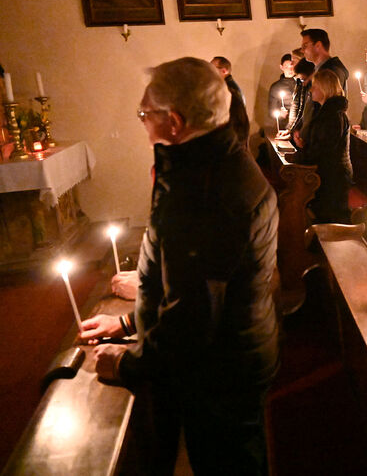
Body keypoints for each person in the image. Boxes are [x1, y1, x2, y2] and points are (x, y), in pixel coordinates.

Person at [88, 57, 278, 474]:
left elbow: (193, 314)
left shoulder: (207, 194)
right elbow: (189, 278)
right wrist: (129, 323)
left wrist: (127, 363)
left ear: (174, 121)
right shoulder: (206, 164)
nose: (142, 122)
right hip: (229, 354)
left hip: (221, 371)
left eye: (144, 114)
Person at [285, 69, 352, 223]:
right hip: (328, 172)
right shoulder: (327, 111)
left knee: (331, 219)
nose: (311, 90)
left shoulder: (333, 115)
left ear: (324, 88)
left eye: (315, 86)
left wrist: (299, 156)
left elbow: (324, 149)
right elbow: (321, 142)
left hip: (333, 176)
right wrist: (305, 144)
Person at [211, 55, 250, 147]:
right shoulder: (225, 87)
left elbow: (235, 120)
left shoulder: (229, 90)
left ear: (224, 71)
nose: (209, 71)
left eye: (212, 68)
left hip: (232, 141)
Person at [267, 53, 297, 129]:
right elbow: (271, 111)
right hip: (284, 125)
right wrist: (280, 114)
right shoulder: (276, 87)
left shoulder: (302, 83)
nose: (290, 69)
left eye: (292, 66)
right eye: (286, 67)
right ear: (281, 67)